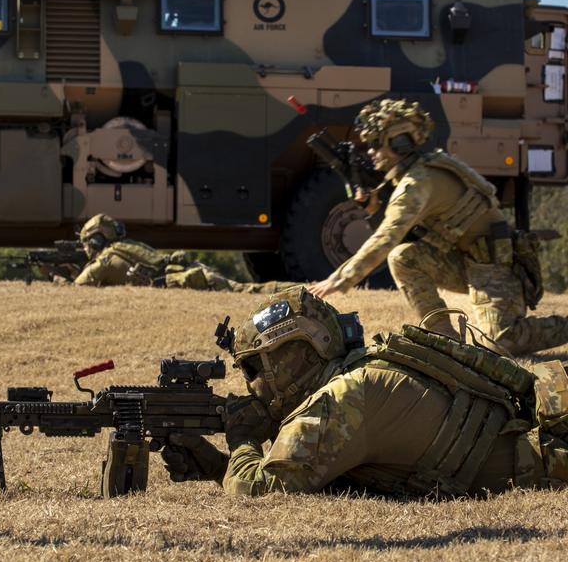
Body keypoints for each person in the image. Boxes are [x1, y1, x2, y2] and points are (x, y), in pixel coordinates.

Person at [160, 286, 568, 497]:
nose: (250, 383)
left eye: (253, 367)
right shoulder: (362, 373)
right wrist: (218, 466)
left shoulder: (344, 398)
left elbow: (264, 492)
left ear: (299, 354)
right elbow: (317, 474)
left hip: (546, 462)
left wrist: (244, 440)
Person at [307, 98, 567, 356]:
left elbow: (387, 237)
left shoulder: (417, 183)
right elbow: (406, 230)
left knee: (503, 342)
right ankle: (444, 337)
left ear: (399, 143)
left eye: (376, 143)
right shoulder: (422, 170)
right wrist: (372, 205)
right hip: (465, 261)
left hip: (495, 267)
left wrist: (339, 279)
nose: (371, 151)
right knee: (403, 258)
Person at [72, 213, 292, 292]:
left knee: (250, 291)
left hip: (186, 280)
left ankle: (306, 289)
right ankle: (303, 287)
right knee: (249, 289)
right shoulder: (127, 247)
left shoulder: (106, 260)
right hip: (192, 273)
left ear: (96, 239)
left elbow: (78, 289)